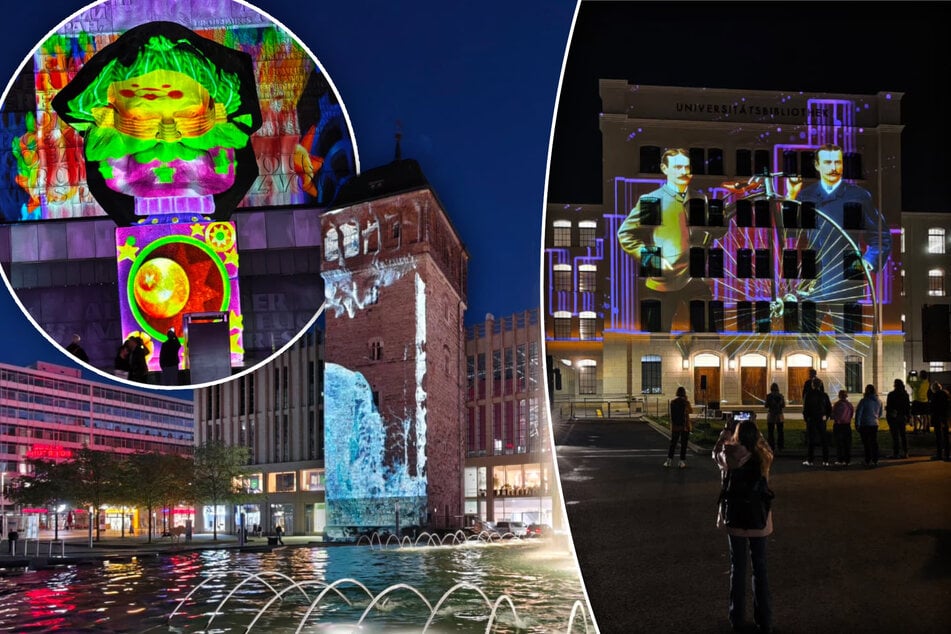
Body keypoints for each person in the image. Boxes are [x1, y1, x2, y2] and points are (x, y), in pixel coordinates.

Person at [786, 143, 892, 303]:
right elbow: (790, 233)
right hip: (811, 279)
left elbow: (881, 236)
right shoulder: (806, 195)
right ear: (817, 165)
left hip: (846, 279)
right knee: (807, 327)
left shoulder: (858, 195)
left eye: (838, 162)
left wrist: (868, 261)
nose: (833, 168)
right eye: (828, 163)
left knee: (846, 328)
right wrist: (791, 195)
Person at [617, 148, 711, 329]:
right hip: (662, 284)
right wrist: (653, 259)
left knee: (706, 333)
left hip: (694, 280)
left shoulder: (700, 198)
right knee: (658, 338)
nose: (684, 172)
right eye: (677, 167)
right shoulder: (654, 200)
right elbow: (626, 234)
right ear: (664, 168)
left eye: (687, 167)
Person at [714, 419, 774, 634]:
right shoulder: (763, 457)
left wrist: (726, 432)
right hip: (758, 519)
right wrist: (758, 433)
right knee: (760, 568)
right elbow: (768, 448)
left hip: (735, 519)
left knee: (737, 568)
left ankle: (737, 618)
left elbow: (716, 452)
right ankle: (764, 620)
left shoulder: (728, 455)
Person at [801, 368, 832, 466]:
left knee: (811, 440)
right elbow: (829, 408)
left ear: (813, 385)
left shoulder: (809, 395)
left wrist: (806, 418)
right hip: (821, 419)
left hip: (812, 419)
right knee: (824, 440)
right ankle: (825, 461)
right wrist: (826, 417)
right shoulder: (824, 395)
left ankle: (810, 460)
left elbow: (806, 408)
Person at [855, 384, 883, 468]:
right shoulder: (879, 401)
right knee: (874, 442)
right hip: (874, 424)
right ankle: (875, 459)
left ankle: (868, 460)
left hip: (865, 424)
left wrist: (857, 424)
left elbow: (859, 413)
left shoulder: (864, 401)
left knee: (866, 443)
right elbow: (880, 413)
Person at [665, 386, 693, 468]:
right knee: (684, 445)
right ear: (684, 393)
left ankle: (669, 461)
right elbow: (691, 411)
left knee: (673, 444)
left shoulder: (673, 402)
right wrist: (686, 400)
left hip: (675, 426)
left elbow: (672, 415)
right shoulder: (686, 402)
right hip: (685, 426)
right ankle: (681, 462)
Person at [885, 379, 910, 459]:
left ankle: (896, 453)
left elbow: (889, 406)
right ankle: (906, 452)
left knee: (895, 436)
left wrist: (889, 411)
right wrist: (908, 416)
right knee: (903, 435)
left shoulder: (891, 395)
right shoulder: (905, 395)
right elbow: (907, 407)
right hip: (902, 417)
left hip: (894, 417)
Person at [830, 390, 854, 466]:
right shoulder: (850, 405)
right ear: (846, 396)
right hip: (847, 425)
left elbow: (832, 415)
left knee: (839, 443)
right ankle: (847, 460)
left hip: (838, 425)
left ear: (839, 396)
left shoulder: (837, 404)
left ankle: (840, 460)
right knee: (847, 444)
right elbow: (851, 414)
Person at [929, 382, 950, 461]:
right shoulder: (946, 395)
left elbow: (933, 408)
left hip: (938, 418)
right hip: (945, 418)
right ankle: (947, 455)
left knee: (938, 437)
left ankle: (939, 454)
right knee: (946, 436)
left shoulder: (935, 396)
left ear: (934, 389)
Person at [764, 383, 786, 452]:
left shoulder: (769, 396)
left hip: (771, 415)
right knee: (780, 432)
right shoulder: (780, 396)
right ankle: (780, 446)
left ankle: (771, 446)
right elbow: (783, 405)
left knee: (770, 432)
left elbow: (766, 406)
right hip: (779, 415)